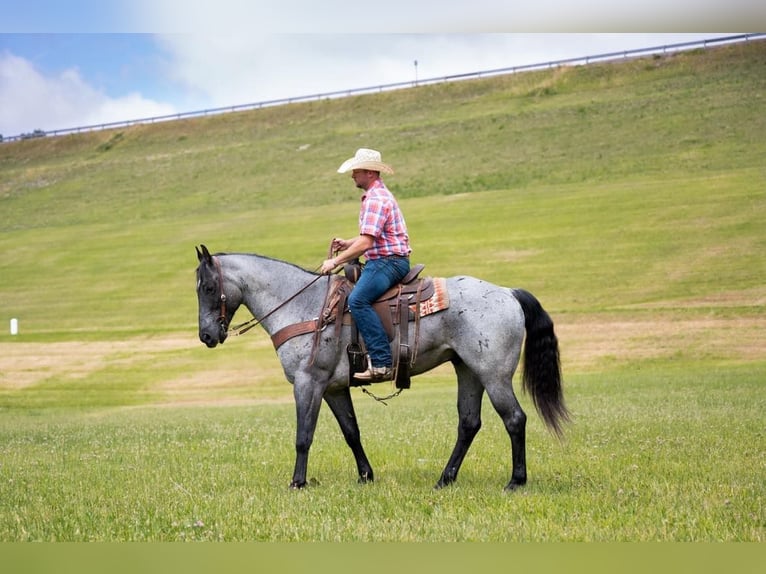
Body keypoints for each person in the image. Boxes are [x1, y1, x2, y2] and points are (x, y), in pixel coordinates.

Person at [320, 148, 411, 382]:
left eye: (356, 171)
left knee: (357, 300)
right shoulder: (376, 195)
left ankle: (381, 362)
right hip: (386, 258)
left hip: (388, 262)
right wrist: (349, 242)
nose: (352, 175)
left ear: (369, 172)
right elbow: (372, 236)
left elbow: (367, 242)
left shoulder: (376, 200)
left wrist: (335, 261)